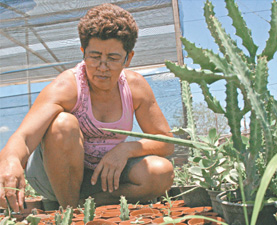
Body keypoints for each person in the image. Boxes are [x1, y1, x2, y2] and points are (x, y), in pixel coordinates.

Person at [0, 3, 174, 212]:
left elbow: (166, 141)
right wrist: (10, 161)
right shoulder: (68, 86)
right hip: (53, 175)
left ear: (128, 58)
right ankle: (68, 211)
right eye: (94, 56)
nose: (102, 67)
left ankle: (90, 204)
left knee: (161, 172)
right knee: (63, 124)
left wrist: (126, 149)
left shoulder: (135, 87)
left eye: (112, 58)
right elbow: (25, 137)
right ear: (83, 52)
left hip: (102, 177)